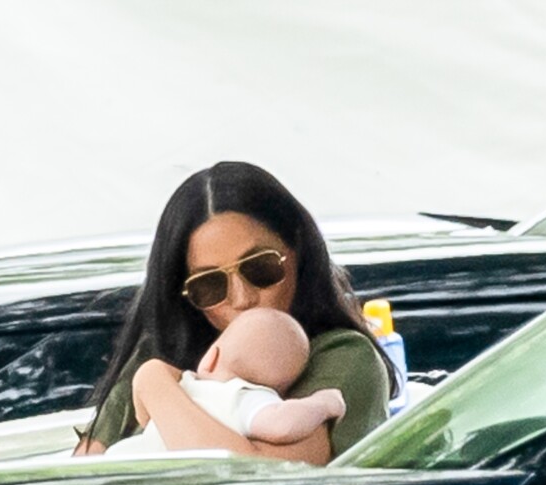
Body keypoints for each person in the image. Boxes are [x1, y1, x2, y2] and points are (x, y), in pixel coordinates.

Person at [74, 161, 398, 464]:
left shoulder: (342, 356)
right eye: (210, 285)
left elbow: (258, 479)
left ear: (298, 251)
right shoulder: (161, 351)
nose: (242, 299)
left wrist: (155, 385)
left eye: (261, 267)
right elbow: (82, 475)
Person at [106, 307, 346, 455]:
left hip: (130, 459)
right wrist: (323, 404)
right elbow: (282, 425)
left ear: (211, 356)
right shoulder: (243, 397)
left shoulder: (184, 385)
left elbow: (143, 417)